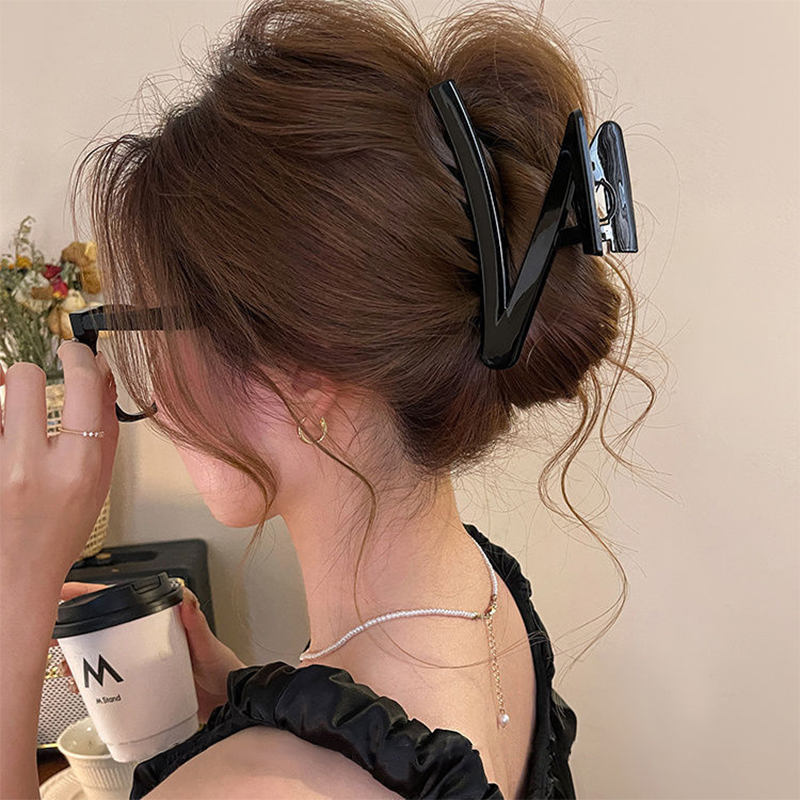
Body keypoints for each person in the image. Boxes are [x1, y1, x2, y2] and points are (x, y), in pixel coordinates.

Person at [1, 0, 647, 797]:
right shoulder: (480, 592)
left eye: (154, 327)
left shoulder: (259, 787)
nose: (155, 393)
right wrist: (257, 702)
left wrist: (14, 596)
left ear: (303, 375)